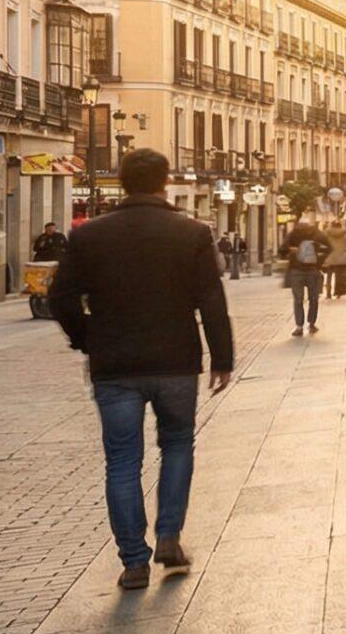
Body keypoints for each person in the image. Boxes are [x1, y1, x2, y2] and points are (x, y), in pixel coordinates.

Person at [48, 148, 233, 590]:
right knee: (177, 446)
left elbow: (61, 298)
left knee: (122, 461)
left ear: (124, 182)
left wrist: (87, 338)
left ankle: (134, 561)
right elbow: (210, 299)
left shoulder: (89, 235)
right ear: (164, 182)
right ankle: (168, 536)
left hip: (114, 366)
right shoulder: (191, 232)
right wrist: (222, 358)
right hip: (175, 361)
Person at [280, 217, 332, 337]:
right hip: (312, 270)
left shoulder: (293, 233)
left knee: (298, 300)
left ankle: (299, 326)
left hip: (296, 270)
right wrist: (318, 260)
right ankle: (311, 324)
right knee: (313, 299)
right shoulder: (316, 233)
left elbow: (282, 249)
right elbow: (329, 248)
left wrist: (291, 253)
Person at [321, 222, 346, 299]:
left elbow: (323, 244)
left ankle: (328, 294)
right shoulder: (344, 234)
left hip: (330, 257)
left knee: (329, 276)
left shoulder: (327, 234)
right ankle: (338, 293)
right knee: (339, 276)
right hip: (340, 257)